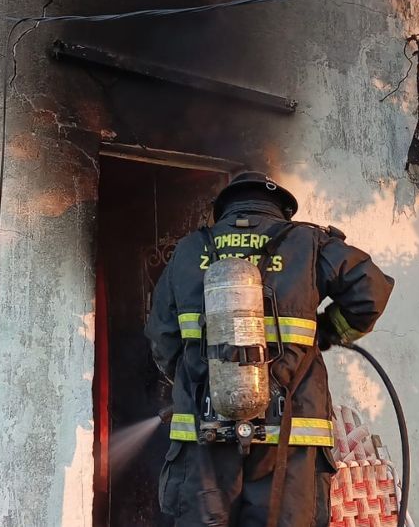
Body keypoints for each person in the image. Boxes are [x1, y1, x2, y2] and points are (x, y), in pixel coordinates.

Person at [145, 171, 394, 526]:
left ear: (224, 209)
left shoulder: (188, 250)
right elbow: (370, 292)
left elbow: (161, 336)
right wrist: (328, 330)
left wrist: (201, 377)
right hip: (291, 437)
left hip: (204, 436)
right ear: (282, 209)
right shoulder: (308, 242)